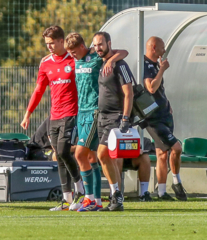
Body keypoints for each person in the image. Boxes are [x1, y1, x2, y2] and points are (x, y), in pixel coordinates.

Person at [20, 26, 84, 211]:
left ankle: (80, 189)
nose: (48, 46)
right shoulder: (45, 63)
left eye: (51, 43)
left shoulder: (74, 60)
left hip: (72, 113)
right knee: (58, 156)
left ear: (61, 41)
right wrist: (28, 113)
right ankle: (66, 200)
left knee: (64, 151)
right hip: (54, 116)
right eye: (46, 43)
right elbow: (39, 90)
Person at [64, 32, 128, 211]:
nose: (72, 56)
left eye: (74, 52)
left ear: (83, 47)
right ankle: (97, 201)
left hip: (94, 111)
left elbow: (124, 52)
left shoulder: (96, 55)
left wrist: (110, 61)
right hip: (81, 111)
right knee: (92, 157)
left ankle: (89, 198)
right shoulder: (75, 60)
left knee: (79, 154)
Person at [138, 36, 186, 201]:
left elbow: (159, 90)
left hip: (164, 113)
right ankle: (176, 181)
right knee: (177, 148)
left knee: (162, 155)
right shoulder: (144, 65)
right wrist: (162, 70)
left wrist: (167, 103)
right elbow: (151, 88)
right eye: (162, 47)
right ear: (153, 47)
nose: (164, 51)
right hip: (153, 117)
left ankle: (162, 192)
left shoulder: (154, 65)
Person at [93, 32, 134, 211]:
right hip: (102, 116)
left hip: (115, 117)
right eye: (95, 45)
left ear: (109, 43)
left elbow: (129, 93)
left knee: (102, 154)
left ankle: (116, 195)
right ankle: (116, 197)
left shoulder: (120, 65)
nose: (98, 48)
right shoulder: (100, 62)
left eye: (101, 44)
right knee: (108, 158)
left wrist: (125, 117)